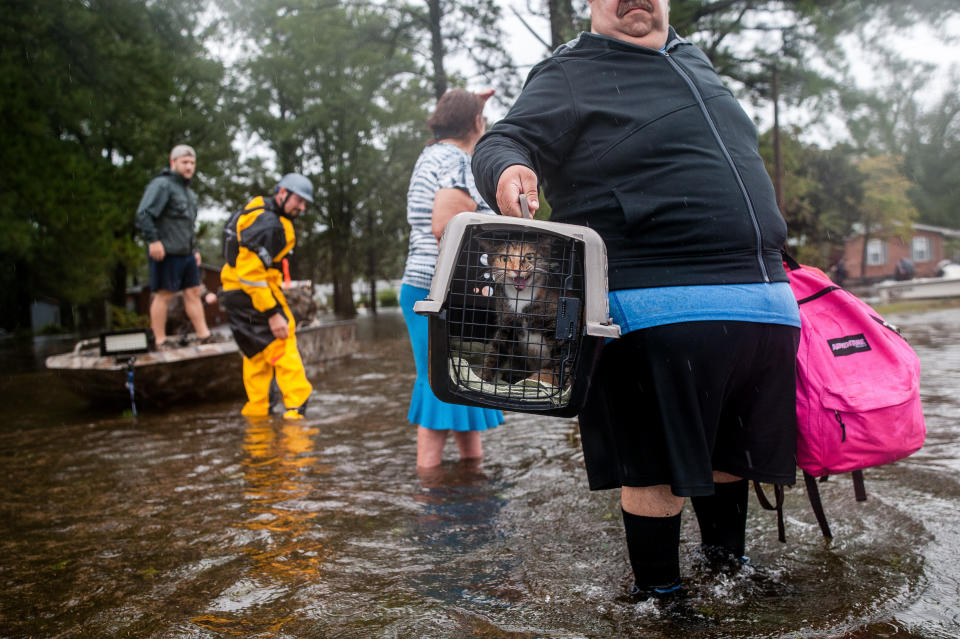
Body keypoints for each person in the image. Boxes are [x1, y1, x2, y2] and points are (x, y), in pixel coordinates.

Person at [472, 0, 802, 599]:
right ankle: (661, 603)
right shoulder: (570, 70)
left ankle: (729, 570)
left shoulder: (695, 60)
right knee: (655, 469)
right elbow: (504, 139)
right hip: (653, 306)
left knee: (731, 455)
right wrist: (507, 171)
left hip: (760, 305)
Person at [400, 88, 505, 469]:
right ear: (476, 122)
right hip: (441, 289)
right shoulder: (460, 161)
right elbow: (446, 225)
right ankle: (432, 490)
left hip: (423, 284)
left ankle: (467, 476)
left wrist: (468, 106)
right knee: (440, 382)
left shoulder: (433, 155)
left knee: (457, 379)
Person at [219, 173, 315, 419]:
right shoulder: (270, 224)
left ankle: (257, 417)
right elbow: (250, 271)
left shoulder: (256, 209)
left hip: (233, 293)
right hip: (252, 293)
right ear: (282, 192)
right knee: (283, 340)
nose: (302, 208)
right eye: (299, 200)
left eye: (306, 203)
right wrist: (272, 313)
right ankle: (296, 415)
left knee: (256, 354)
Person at [135, 144, 212, 349]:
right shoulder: (162, 185)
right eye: (184, 162)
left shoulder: (189, 193)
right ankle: (160, 340)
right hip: (166, 251)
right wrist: (153, 241)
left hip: (186, 252)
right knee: (164, 294)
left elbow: (188, 225)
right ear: (173, 162)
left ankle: (204, 335)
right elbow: (144, 214)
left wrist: (194, 249)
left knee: (193, 292)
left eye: (192, 163)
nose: (189, 166)